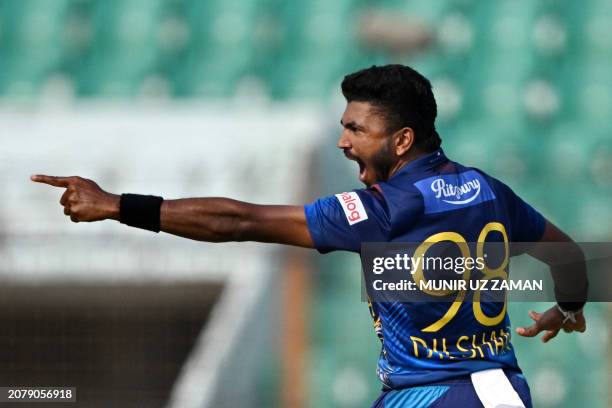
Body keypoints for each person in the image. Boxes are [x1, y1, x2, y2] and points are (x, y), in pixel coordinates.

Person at [32, 64, 587, 407]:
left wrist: (117, 206)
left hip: (459, 396)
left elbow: (240, 221)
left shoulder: (389, 207)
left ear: (401, 140)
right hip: (445, 394)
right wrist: (567, 306)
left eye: (355, 129)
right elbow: (569, 256)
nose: (343, 142)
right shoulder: (487, 189)